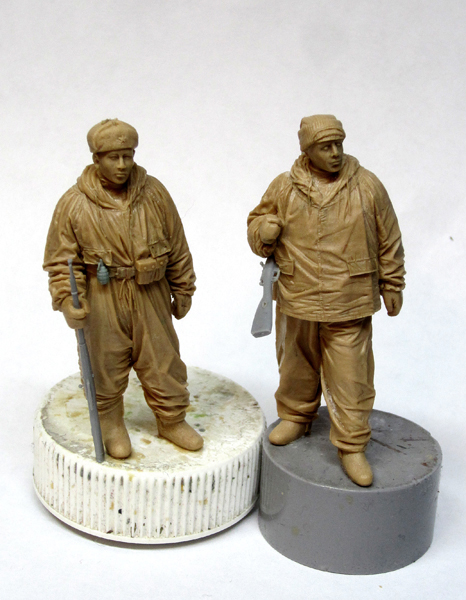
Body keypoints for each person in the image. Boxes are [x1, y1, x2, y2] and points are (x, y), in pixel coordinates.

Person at [247, 114, 405, 486]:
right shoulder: (284, 187)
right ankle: (295, 415)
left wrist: (393, 283)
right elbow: (256, 226)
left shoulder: (367, 186)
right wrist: (263, 232)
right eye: (325, 147)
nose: (335, 153)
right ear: (307, 150)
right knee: (295, 365)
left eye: (338, 144)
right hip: (297, 294)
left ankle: (351, 444)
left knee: (352, 377)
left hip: (350, 297)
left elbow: (389, 239)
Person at [44, 119, 203, 459]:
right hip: (103, 295)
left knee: (162, 360)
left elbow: (177, 244)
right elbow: (61, 262)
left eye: (127, 156)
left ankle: (171, 419)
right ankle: (110, 420)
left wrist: (183, 287)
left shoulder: (154, 193)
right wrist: (67, 300)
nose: (121, 165)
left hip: (151, 292)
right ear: (96, 158)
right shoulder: (74, 203)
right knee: (105, 362)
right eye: (112, 157)